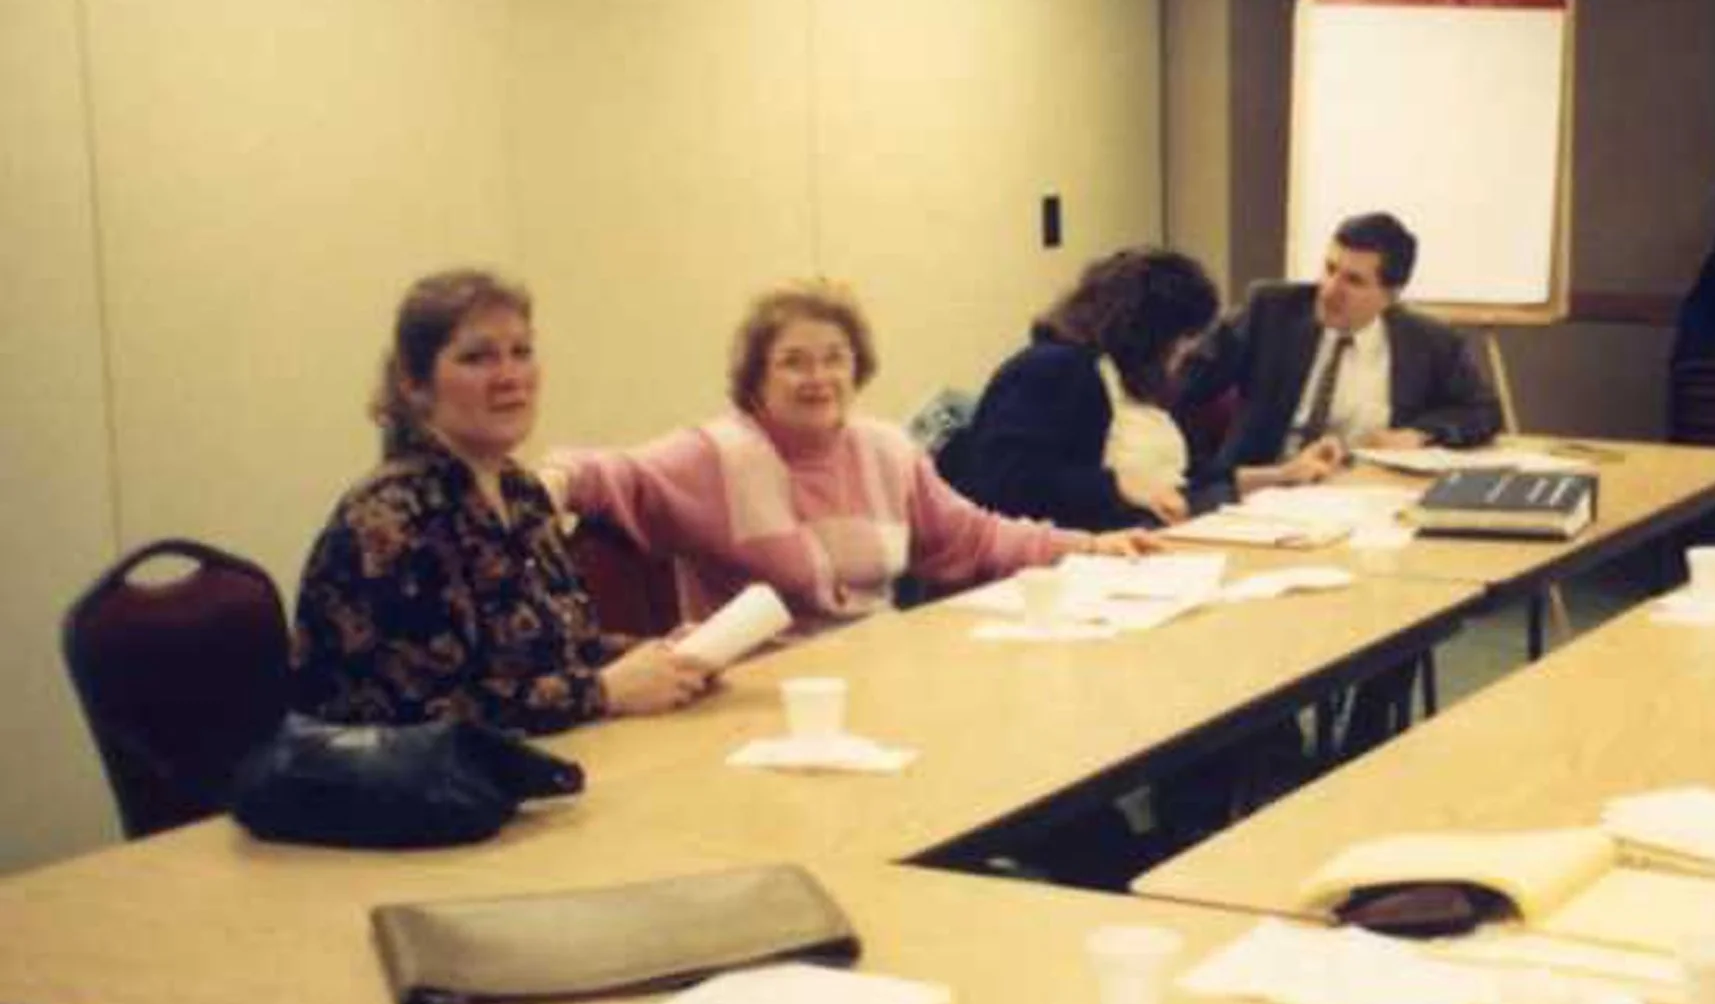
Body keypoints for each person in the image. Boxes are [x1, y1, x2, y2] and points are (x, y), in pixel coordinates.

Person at [544, 281, 1150, 630]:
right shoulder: (717, 457)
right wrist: (549, 481)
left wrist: (1088, 546)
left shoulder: (886, 450)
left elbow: (974, 537)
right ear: (755, 378)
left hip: (881, 678)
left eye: (835, 358)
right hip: (755, 707)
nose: (819, 378)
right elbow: (607, 474)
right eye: (794, 362)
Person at [293, 269, 712, 733]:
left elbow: (556, 650)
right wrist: (603, 692)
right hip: (414, 796)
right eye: (477, 358)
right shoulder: (386, 518)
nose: (511, 377)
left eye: (522, 352)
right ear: (414, 384)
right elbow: (421, 718)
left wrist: (656, 658)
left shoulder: (520, 490)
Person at [1187, 211, 1501, 498]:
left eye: (1354, 281)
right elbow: (1183, 386)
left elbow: (1483, 411)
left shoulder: (1428, 341)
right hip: (1265, 491)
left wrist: (1419, 434)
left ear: (1390, 295)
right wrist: (1203, 473)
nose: (1329, 290)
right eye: (1330, 269)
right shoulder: (1271, 313)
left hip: (1363, 497)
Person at [940, 247, 1219, 529]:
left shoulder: (1133, 382)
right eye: (1184, 336)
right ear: (1151, 332)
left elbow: (1173, 471)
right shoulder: (1054, 369)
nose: (1190, 349)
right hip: (1066, 553)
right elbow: (1006, 482)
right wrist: (1116, 486)